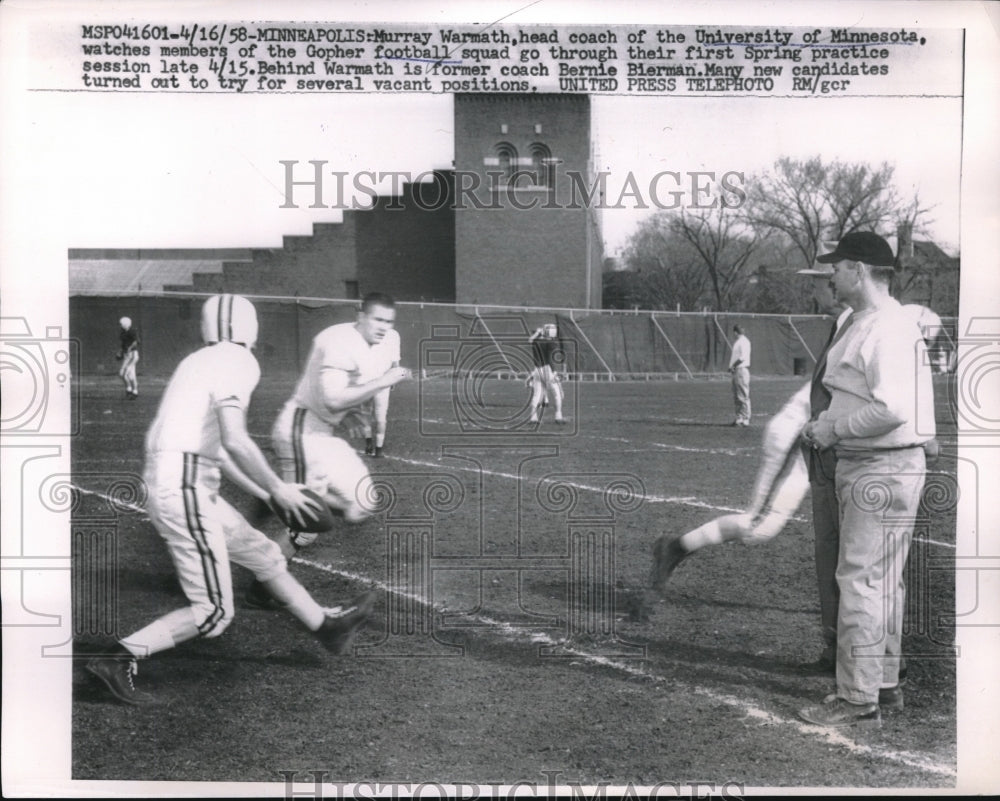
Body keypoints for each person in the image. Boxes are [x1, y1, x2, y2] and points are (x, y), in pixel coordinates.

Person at [85, 294, 376, 705]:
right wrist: (279, 489)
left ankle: (326, 627)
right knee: (215, 613)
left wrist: (266, 492)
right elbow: (236, 439)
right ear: (248, 327)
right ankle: (119, 657)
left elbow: (220, 448)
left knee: (265, 555)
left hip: (185, 480)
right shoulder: (238, 361)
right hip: (184, 486)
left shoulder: (196, 361)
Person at [797, 232, 935, 729]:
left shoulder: (882, 328)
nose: (830, 276)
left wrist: (831, 428)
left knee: (858, 579)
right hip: (892, 465)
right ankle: (884, 682)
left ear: (858, 269)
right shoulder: (885, 322)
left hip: (876, 466)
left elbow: (891, 408)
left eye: (836, 267)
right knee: (882, 581)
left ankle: (858, 696)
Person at [261, 292, 411, 566]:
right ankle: (262, 583)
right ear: (361, 316)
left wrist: (351, 412)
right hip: (301, 430)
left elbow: (335, 395)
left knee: (364, 502)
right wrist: (383, 381)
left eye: (388, 321)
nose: (383, 327)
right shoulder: (342, 342)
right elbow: (332, 399)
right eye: (377, 319)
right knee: (305, 528)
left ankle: (285, 496)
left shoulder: (358, 343)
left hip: (322, 434)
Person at [794, 264, 853, 676]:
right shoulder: (839, 328)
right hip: (824, 457)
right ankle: (835, 649)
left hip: (844, 458)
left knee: (850, 562)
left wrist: (824, 427)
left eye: (817, 283)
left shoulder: (860, 329)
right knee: (829, 556)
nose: (815, 292)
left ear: (836, 284)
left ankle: (862, 661)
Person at [360, 324, 401, 458]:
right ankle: (378, 450)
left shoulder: (364, 331)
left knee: (365, 412)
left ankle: (368, 442)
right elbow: (395, 363)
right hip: (383, 379)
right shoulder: (394, 335)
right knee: (381, 417)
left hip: (366, 379)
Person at [527, 322, 565, 424]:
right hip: (548, 369)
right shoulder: (552, 343)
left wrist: (538, 333)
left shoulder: (537, 341)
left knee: (537, 395)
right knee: (557, 394)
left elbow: (530, 339)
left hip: (537, 370)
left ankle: (533, 417)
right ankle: (558, 416)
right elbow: (551, 358)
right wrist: (555, 372)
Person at [729, 324, 751, 426]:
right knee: (737, 395)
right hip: (737, 370)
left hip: (741, 370)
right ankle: (739, 417)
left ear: (735, 332)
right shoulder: (739, 342)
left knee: (743, 395)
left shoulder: (744, 342)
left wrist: (733, 366)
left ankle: (746, 418)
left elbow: (743, 357)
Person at [116, 316, 140, 399]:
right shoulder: (123, 333)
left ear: (125, 324)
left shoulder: (132, 331)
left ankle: (131, 390)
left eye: (121, 324)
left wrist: (129, 348)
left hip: (132, 354)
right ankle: (132, 390)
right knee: (127, 374)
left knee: (124, 373)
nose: (120, 325)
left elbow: (136, 341)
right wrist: (120, 352)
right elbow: (123, 344)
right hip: (127, 355)